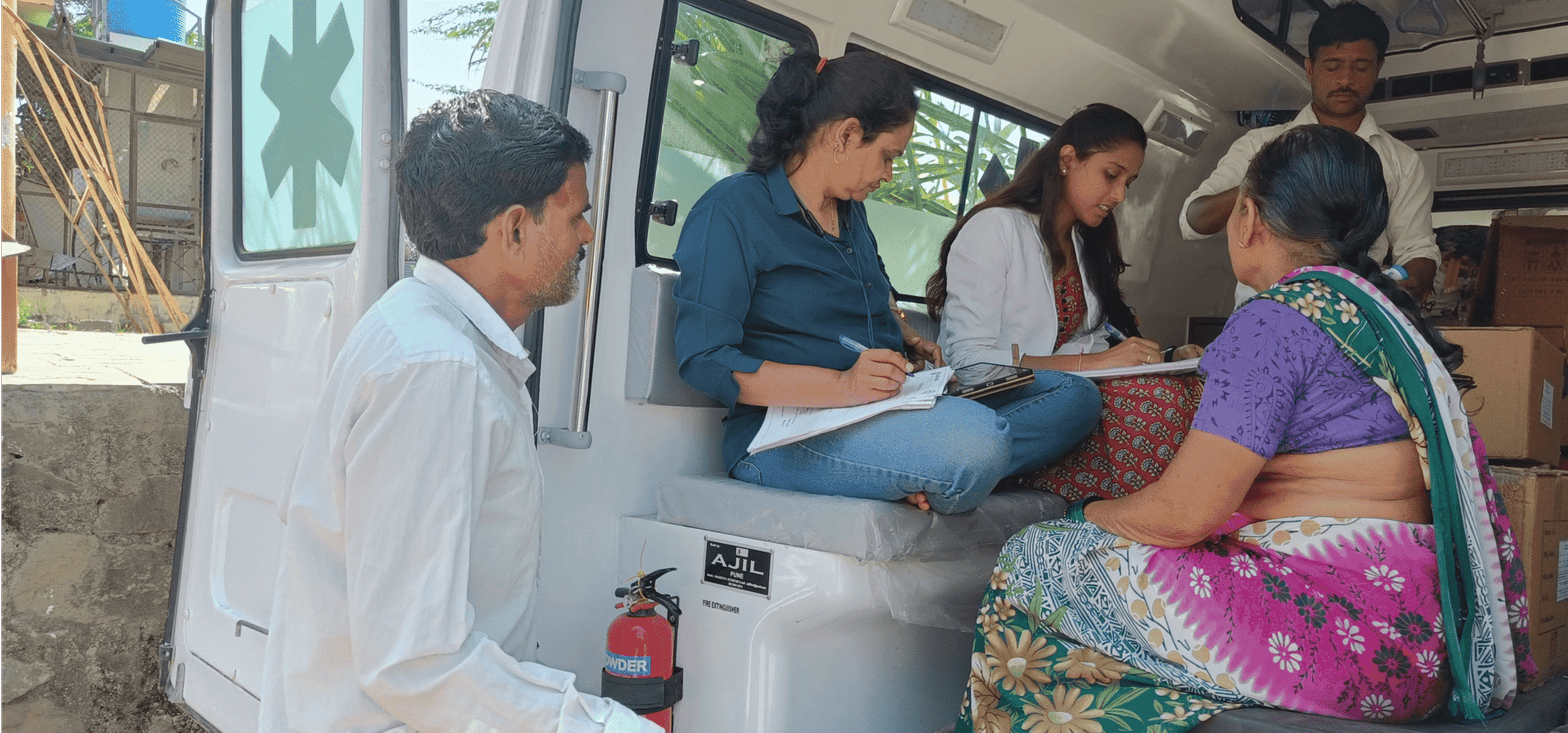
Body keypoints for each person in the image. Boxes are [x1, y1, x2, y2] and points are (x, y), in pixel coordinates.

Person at [955, 125, 1535, 733]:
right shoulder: (1376, 313)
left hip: (1346, 638)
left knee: (1036, 555)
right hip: (1421, 637)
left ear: (1248, 216)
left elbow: (1184, 514)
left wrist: (1087, 514)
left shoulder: (1273, 323)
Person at [259, 91, 659, 733]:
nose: (588, 233)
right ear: (515, 228)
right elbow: (415, 662)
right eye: (575, 215)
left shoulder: (425, 336)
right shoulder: (436, 371)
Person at [673, 43, 1101, 514]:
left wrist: (903, 334)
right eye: (887, 156)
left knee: (1074, 397)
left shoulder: (851, 213)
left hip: (880, 409)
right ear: (846, 135)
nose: (889, 175)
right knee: (979, 443)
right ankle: (944, 467)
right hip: (786, 436)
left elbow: (861, 291)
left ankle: (928, 470)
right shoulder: (732, 209)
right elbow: (705, 359)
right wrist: (842, 388)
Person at [927, 103, 1205, 500]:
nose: (1120, 195)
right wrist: (1092, 365)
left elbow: (1087, 344)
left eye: (1130, 182)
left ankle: (1159, 517)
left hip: (1064, 394)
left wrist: (1164, 361)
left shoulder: (1083, 247)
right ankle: (950, 467)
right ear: (1068, 160)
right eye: (1111, 175)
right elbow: (969, 365)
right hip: (999, 403)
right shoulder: (995, 228)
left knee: (1188, 390)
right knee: (1100, 400)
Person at [1180, 1, 1439, 304]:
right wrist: (1271, 185)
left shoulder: (1402, 162)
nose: (1345, 80)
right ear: (1310, 67)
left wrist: (1390, 295)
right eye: (1332, 66)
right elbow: (1193, 221)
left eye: (1360, 67)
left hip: (1350, 314)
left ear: (1378, 68)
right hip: (1265, 310)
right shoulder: (1259, 144)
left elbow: (1419, 251)